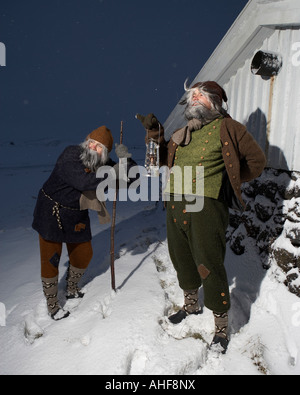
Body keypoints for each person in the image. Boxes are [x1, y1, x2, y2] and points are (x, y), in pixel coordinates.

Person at [137, 80, 266, 353]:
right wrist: (154, 132)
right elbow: (160, 159)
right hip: (174, 202)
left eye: (201, 95)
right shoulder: (182, 133)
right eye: (192, 95)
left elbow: (256, 161)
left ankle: (221, 326)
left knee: (209, 262)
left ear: (215, 102)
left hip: (206, 206)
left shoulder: (229, 128)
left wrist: (225, 181)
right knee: (181, 256)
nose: (194, 99)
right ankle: (191, 304)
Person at [32, 125, 134, 320]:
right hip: (51, 213)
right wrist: (115, 172)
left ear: (104, 153)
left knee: (83, 255)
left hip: (76, 214)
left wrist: (125, 160)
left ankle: (71, 287)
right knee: (51, 259)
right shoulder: (70, 154)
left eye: (98, 147)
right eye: (91, 143)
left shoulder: (102, 164)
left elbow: (132, 177)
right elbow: (85, 181)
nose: (92, 148)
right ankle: (52, 304)